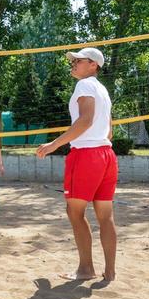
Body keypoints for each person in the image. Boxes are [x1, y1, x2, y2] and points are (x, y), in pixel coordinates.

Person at [35, 47, 118, 282]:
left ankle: (85, 269)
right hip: (106, 155)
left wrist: (54, 144)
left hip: (86, 156)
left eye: (78, 60)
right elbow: (109, 132)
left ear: (93, 65)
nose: (73, 63)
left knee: (75, 212)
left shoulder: (84, 85)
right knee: (105, 216)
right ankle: (109, 272)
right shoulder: (103, 91)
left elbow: (85, 120)